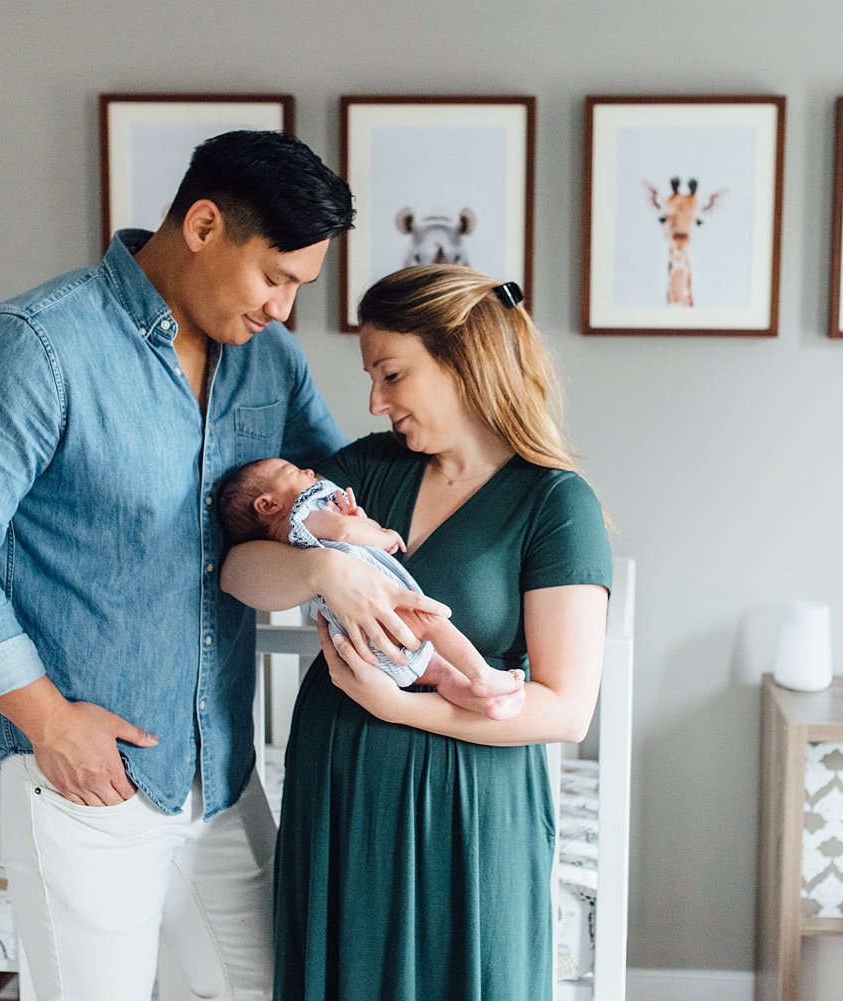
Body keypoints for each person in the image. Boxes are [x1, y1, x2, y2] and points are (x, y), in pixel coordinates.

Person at [0, 130, 443, 1001]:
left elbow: (335, 494)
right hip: (83, 777)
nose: (284, 310)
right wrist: (49, 721)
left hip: (221, 771)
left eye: (301, 286)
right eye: (275, 277)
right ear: (205, 224)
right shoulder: (38, 346)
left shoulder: (270, 361)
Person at [220, 265, 612, 1000]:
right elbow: (239, 570)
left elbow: (565, 708)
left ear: (462, 361)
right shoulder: (362, 473)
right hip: (341, 793)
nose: (375, 400)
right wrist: (323, 576)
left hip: (470, 808)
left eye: (392, 374)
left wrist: (399, 707)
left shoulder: (554, 502)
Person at [216, 457, 528, 719]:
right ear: (268, 504)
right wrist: (382, 534)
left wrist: (357, 520)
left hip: (365, 641)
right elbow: (342, 530)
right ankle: (482, 676)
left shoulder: (292, 546)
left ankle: (485, 703)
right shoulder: (303, 515)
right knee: (432, 623)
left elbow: (343, 530)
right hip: (380, 615)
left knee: (442, 673)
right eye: (294, 472)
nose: (308, 472)